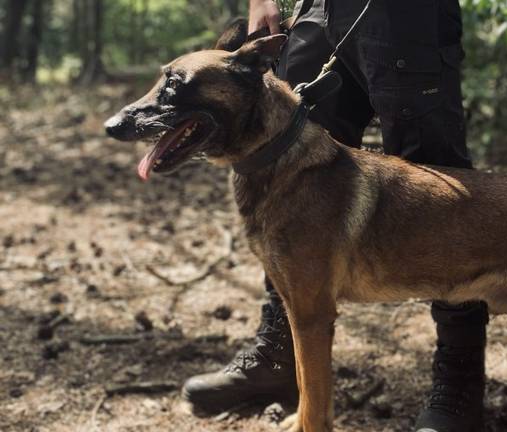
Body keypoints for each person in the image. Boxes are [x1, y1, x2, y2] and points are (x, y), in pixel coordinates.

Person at [182, 1, 488, 431]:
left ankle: (460, 383)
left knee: (442, 189)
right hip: (317, 9)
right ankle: (281, 358)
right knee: (285, 172)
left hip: (407, 18)